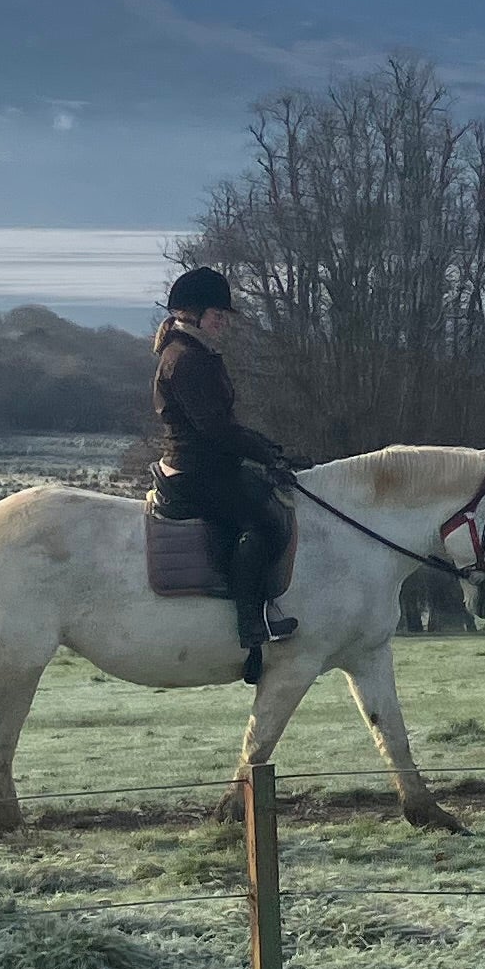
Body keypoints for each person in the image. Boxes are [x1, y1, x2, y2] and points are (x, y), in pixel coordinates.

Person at [154, 265, 299, 680]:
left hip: (208, 464)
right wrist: (261, 451)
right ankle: (253, 624)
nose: (223, 320)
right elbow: (214, 428)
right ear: (194, 313)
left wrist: (266, 449)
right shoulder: (186, 360)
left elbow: (222, 423)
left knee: (272, 502)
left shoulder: (196, 352)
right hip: (196, 471)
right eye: (218, 313)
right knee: (263, 525)